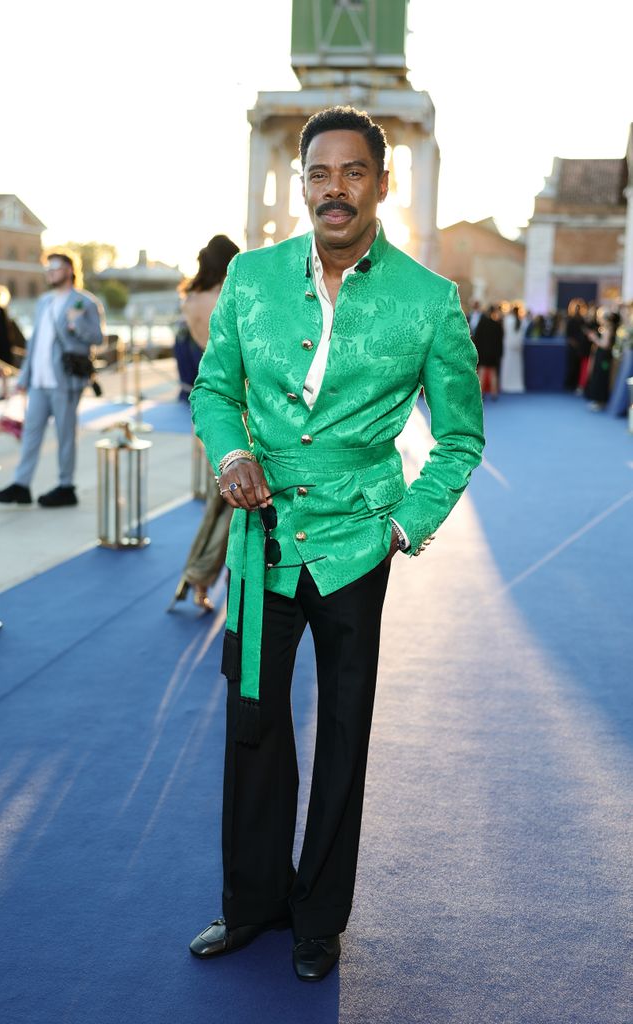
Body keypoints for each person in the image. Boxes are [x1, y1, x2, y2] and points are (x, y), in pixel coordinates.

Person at [188, 106, 485, 982]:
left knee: (344, 735)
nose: (334, 190)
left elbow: (460, 437)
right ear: (303, 184)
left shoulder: (429, 301)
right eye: (319, 174)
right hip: (259, 543)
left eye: (353, 173)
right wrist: (233, 448)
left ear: (381, 184)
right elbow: (214, 389)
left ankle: (319, 919)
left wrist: (406, 524)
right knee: (252, 728)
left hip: (359, 546)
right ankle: (252, 905)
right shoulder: (249, 278)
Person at [0, 251, 103, 507]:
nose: (50, 271)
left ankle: (66, 486)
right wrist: (24, 377)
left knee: (65, 435)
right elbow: (34, 343)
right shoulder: (44, 301)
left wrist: (76, 326)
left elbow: (97, 338)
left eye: (55, 267)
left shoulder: (85, 302)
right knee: (31, 433)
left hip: (64, 380)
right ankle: (21, 484)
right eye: (47, 267)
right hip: (39, 382)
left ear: (69, 269)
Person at [170, 234, 240, 609]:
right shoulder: (228, 298)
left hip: (206, 404)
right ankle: (201, 576)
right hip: (236, 406)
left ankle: (195, 578)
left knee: (218, 501)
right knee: (230, 502)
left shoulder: (192, 300)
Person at [585, 309, 618, 410]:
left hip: (604, 358)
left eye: (600, 317)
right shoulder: (604, 328)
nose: (599, 319)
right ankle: (598, 400)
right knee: (598, 376)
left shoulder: (608, 329)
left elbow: (605, 344)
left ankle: (600, 401)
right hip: (601, 356)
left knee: (601, 377)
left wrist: (594, 338)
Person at [473, 304, 503, 398]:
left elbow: (476, 339)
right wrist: (499, 353)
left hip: (483, 353)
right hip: (493, 353)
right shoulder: (497, 325)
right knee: (493, 372)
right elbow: (500, 341)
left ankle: (481, 393)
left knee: (482, 371)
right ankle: (494, 393)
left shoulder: (481, 324)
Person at [499, 303, 525, 393]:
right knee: (515, 367)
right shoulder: (520, 321)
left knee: (508, 365)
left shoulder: (508, 319)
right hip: (516, 348)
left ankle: (507, 385)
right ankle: (515, 384)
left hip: (508, 347)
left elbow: (504, 332)